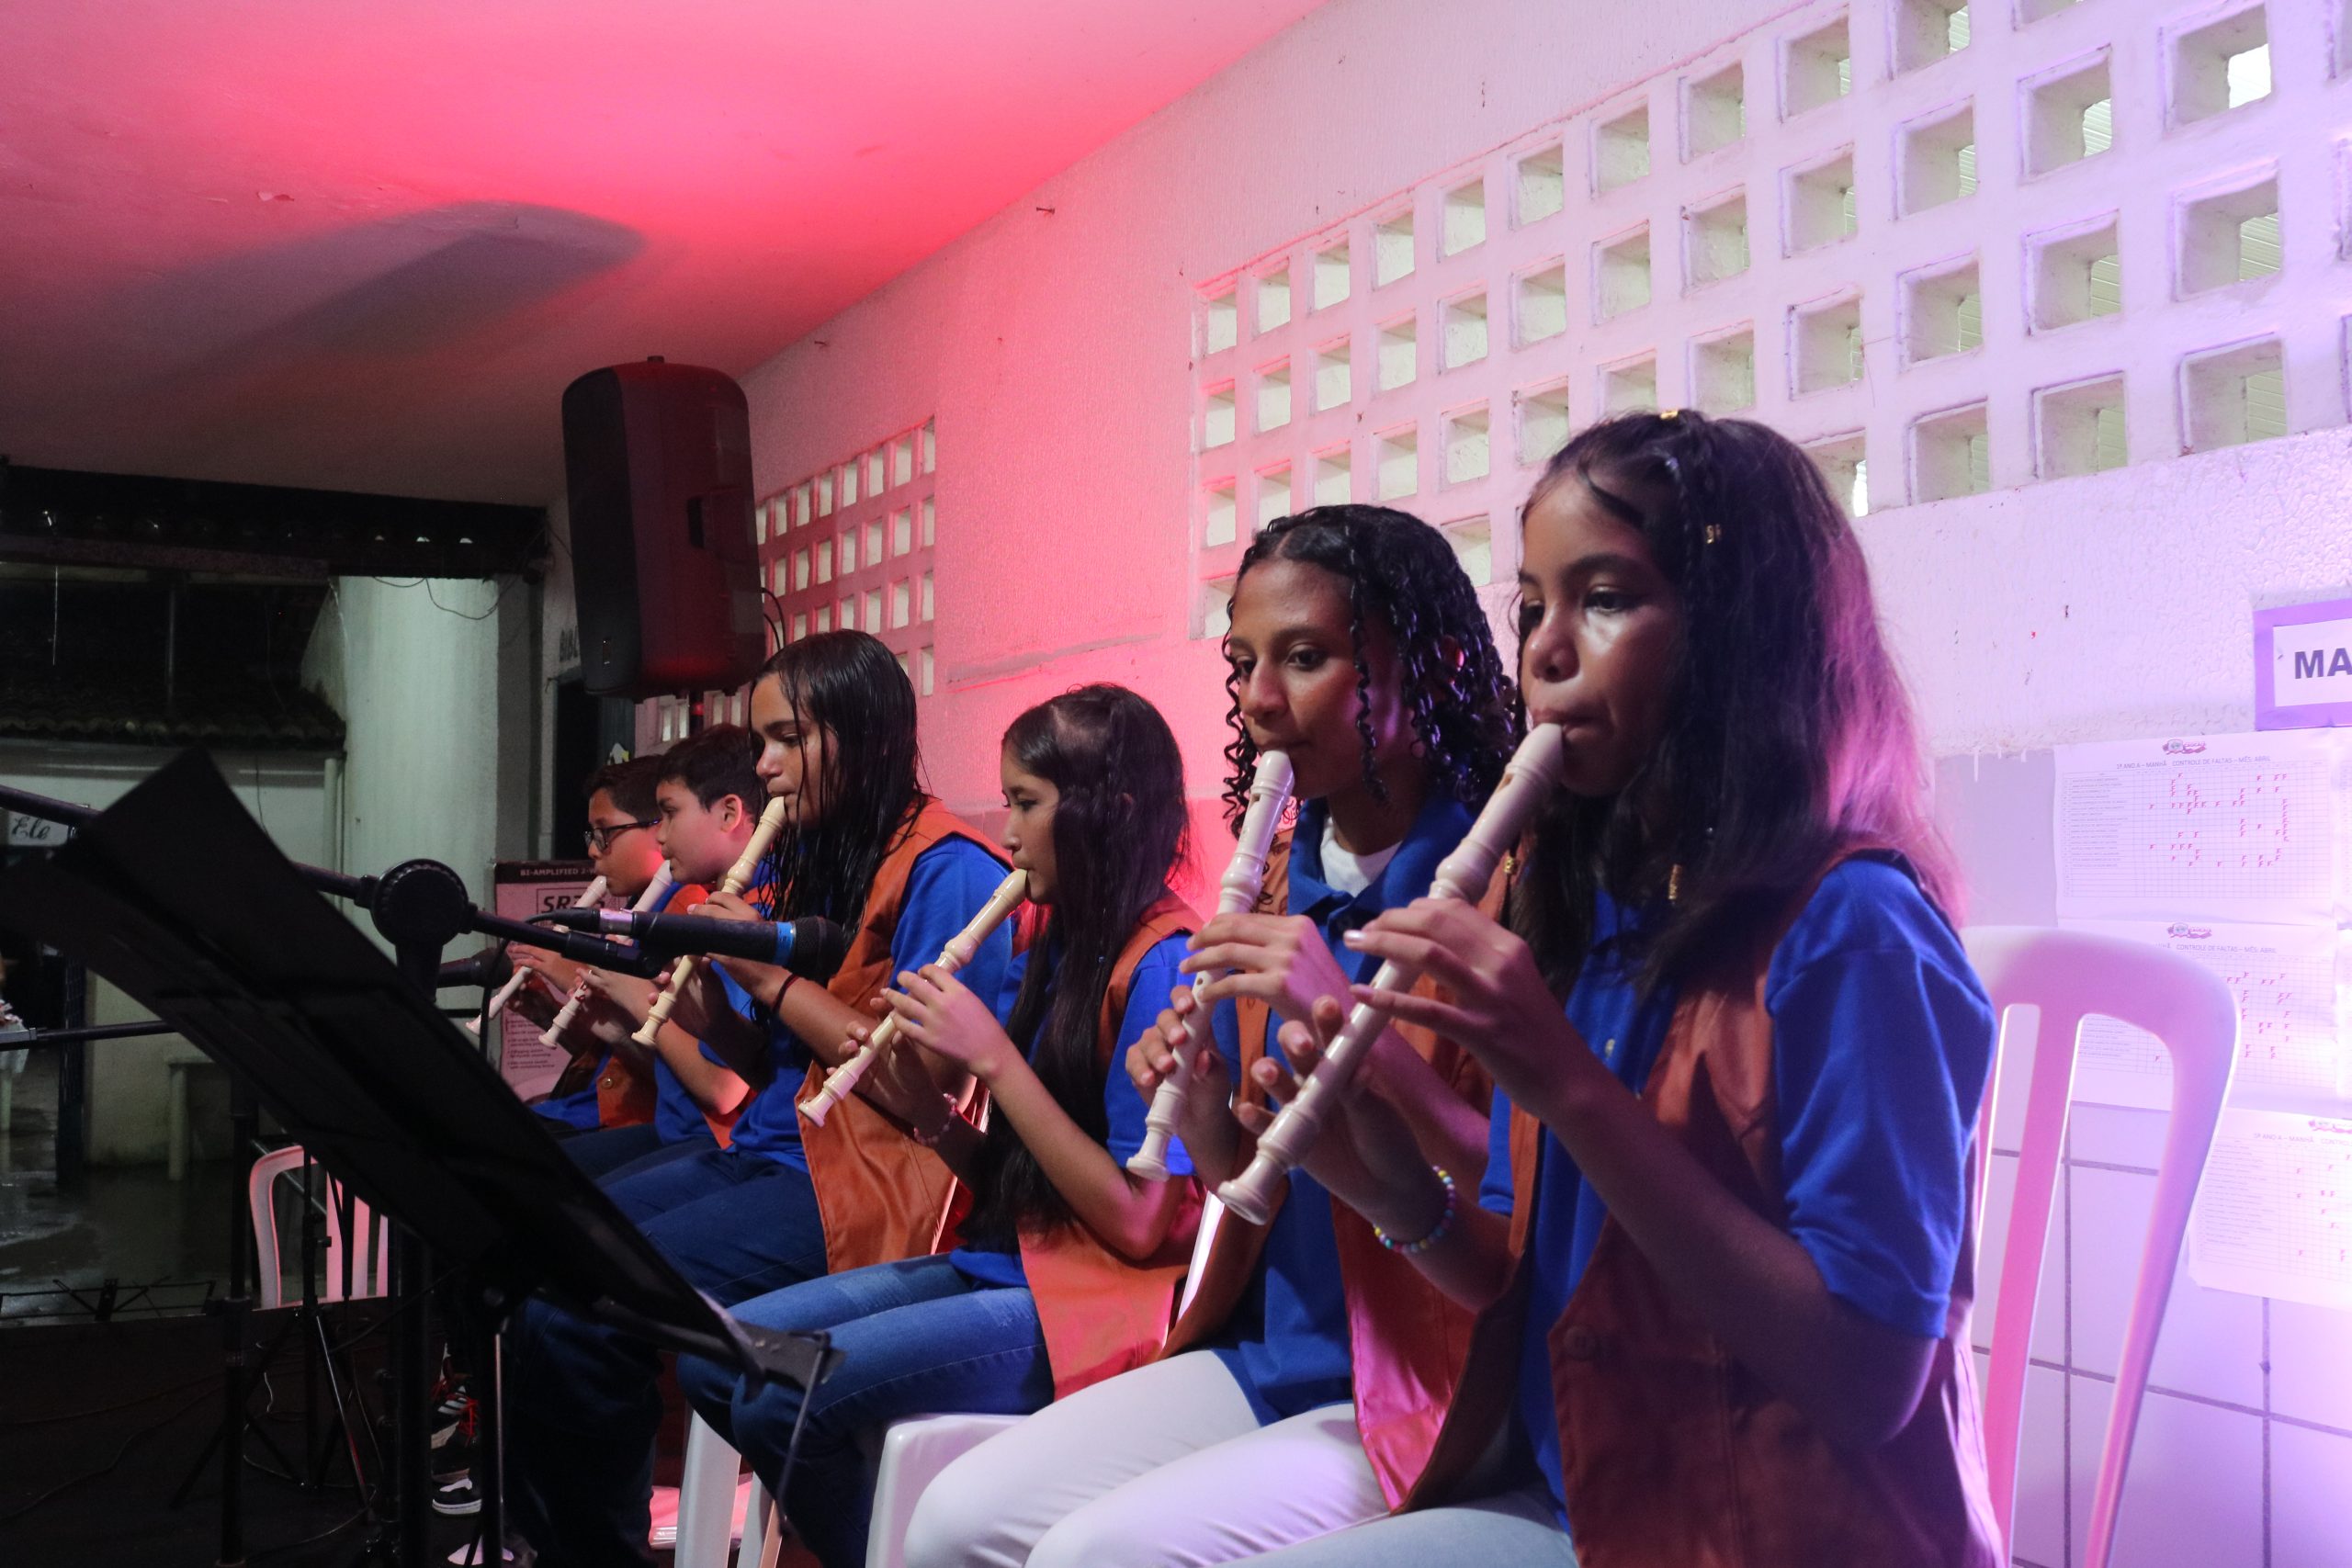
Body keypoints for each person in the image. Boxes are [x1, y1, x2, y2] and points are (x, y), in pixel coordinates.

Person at [1234, 411, 2000, 1567]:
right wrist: (1386, 1187)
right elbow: (1524, 1278)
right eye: (1533, 606)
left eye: (1603, 598)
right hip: (1601, 1497)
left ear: (1737, 641)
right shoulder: (1595, 916)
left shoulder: (1854, 930)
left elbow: (1867, 1377)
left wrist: (1569, 1087)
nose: (1542, 650)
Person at [906, 505, 1518, 1568]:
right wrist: (1200, 1121)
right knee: (953, 1521)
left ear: (1430, 665)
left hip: (1437, 1369)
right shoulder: (1277, 878)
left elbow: (1527, 1187)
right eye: (1243, 664)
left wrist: (1353, 1037)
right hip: (1277, 1342)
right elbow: (1260, 1183)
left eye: (1308, 658)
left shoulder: (1506, 889)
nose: (1260, 702)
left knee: (1090, 1558)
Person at [507, 632, 1014, 1568]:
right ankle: (555, 1538)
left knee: (583, 1307)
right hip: (776, 1154)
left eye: (785, 738)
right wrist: (694, 980)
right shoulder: (819, 856)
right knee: (542, 1248)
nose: (768, 764)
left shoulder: (952, 869)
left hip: (866, 1181)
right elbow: (756, 1053)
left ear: (858, 737)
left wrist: (769, 978)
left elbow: (918, 1086)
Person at [674, 683, 1205, 1568]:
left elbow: (1140, 1226)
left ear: (1107, 812)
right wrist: (929, 1113)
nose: (1006, 835)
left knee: (782, 1401)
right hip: (1000, 1259)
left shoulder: (1165, 964)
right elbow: (1016, 1173)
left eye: (1027, 806)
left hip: (1085, 1305)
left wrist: (994, 1059)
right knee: (708, 1360)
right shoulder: (1062, 942)